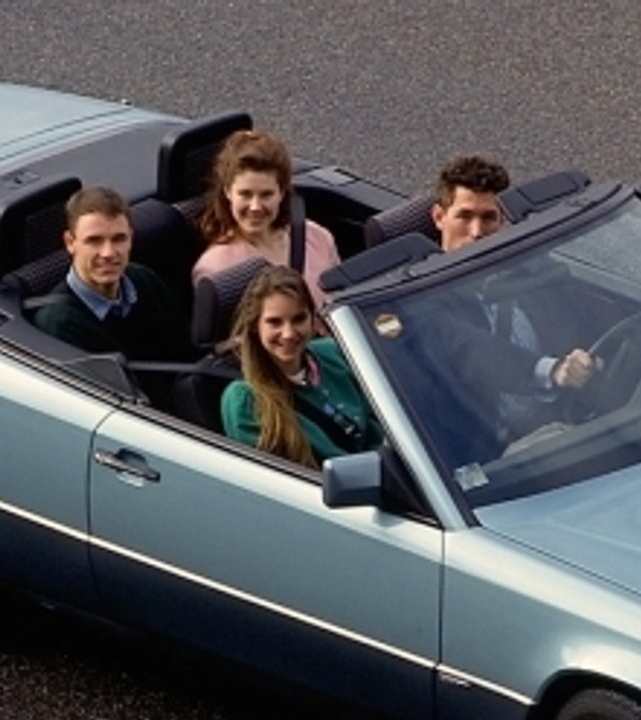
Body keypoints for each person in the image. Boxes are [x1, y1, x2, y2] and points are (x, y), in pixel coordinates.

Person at [391, 155, 598, 462]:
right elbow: (467, 350)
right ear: (439, 217)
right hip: (490, 455)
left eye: (488, 218)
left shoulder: (533, 273)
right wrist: (553, 371)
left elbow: (579, 319)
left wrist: (593, 357)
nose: (477, 232)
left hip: (566, 428)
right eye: (464, 216)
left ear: (502, 221)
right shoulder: (418, 296)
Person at [31, 186, 188, 401]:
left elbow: (185, 351)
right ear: (70, 243)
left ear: (131, 238)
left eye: (118, 239)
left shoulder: (145, 279)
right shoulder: (59, 323)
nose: (108, 253)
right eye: (94, 241)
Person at [221, 266, 381, 467]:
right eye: (275, 322)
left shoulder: (336, 353)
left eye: (298, 319)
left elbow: (380, 425)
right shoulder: (245, 400)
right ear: (255, 325)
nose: (288, 333)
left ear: (313, 318)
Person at [193, 130, 342, 311]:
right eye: (245, 194)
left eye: (266, 195)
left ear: (282, 193)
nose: (255, 207)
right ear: (228, 192)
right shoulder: (217, 272)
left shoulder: (319, 239)